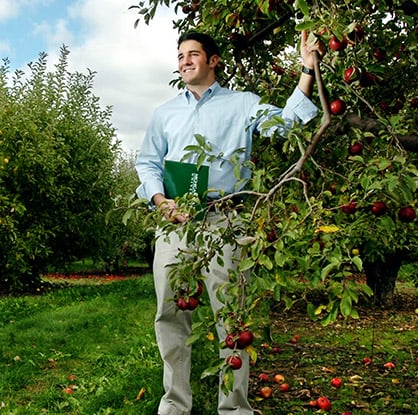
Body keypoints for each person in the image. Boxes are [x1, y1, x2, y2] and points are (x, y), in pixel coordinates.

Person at [135, 30, 324, 415]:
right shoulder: (164, 112)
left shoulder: (242, 105)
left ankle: (235, 408)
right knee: (170, 316)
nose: (184, 61)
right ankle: (174, 404)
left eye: (193, 54)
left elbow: (287, 124)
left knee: (233, 319)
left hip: (226, 221)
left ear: (213, 60)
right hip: (175, 226)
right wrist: (160, 201)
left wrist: (307, 68)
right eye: (181, 56)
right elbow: (148, 162)